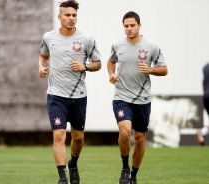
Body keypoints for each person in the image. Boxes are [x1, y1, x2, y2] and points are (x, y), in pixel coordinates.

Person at [39, 1, 101, 183]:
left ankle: (73, 164)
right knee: (59, 135)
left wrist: (85, 67)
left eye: (74, 15)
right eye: (68, 15)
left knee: (78, 137)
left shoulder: (87, 39)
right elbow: (43, 55)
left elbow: (98, 63)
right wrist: (42, 67)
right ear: (60, 17)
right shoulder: (49, 37)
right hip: (56, 95)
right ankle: (62, 178)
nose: (72, 18)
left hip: (78, 96)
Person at [107, 11, 168, 184]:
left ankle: (133, 175)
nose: (129, 29)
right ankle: (125, 167)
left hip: (142, 99)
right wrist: (111, 74)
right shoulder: (117, 45)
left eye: (132, 25)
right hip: (121, 96)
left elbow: (164, 69)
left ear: (139, 25)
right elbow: (111, 62)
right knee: (125, 131)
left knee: (140, 137)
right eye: (126, 26)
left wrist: (150, 70)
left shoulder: (151, 46)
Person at [196, 62, 209, 146]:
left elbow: (203, 82)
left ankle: (203, 132)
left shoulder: (205, 67)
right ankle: (203, 132)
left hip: (206, 96)